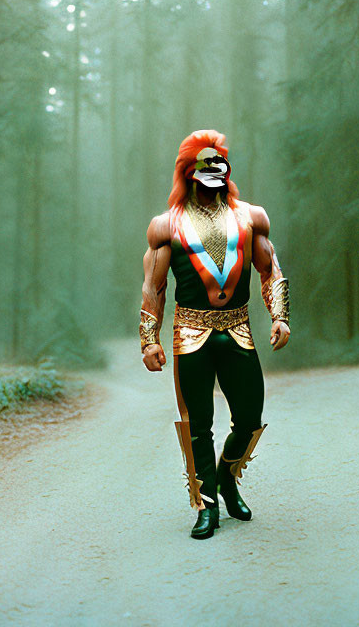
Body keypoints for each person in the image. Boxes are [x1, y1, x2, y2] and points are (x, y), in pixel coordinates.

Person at [139, 129, 290, 539]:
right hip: (190, 332)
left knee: (249, 417)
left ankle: (226, 478)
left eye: (219, 162)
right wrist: (149, 339)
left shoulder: (250, 217)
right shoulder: (166, 225)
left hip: (238, 329)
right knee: (197, 424)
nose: (214, 169)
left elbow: (269, 268)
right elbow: (153, 287)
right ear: (188, 172)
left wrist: (279, 315)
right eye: (204, 163)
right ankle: (206, 506)